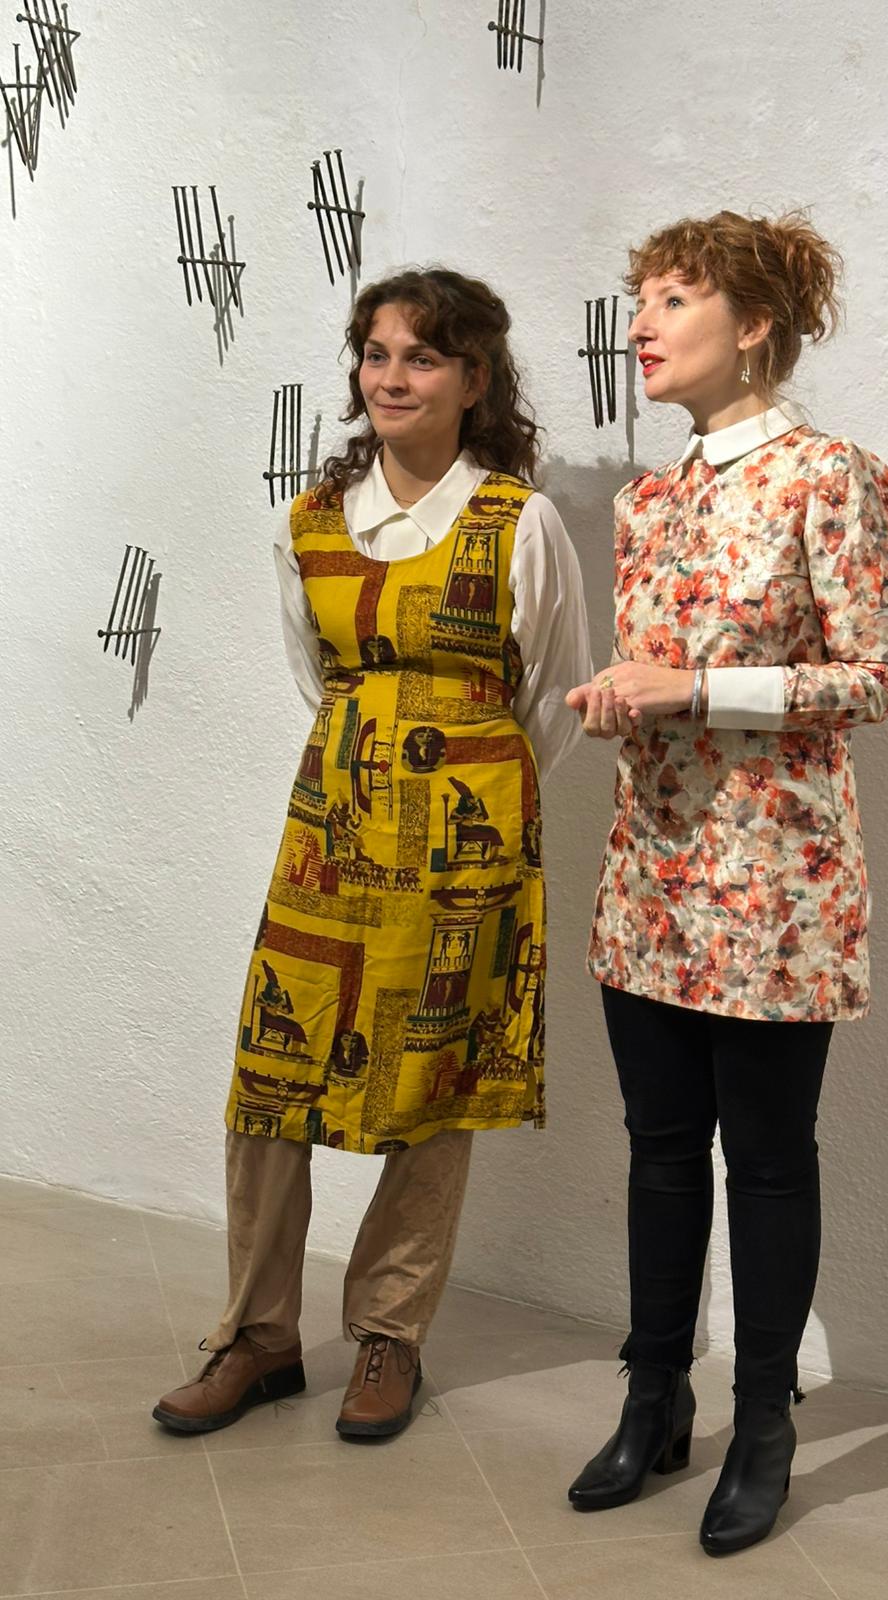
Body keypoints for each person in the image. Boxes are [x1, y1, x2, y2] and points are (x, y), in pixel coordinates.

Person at [154, 266, 590, 1441]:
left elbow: (552, 695)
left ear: (474, 380)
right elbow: (325, 680)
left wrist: (468, 791)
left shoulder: (519, 520)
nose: (392, 377)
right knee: (272, 1073)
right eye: (377, 353)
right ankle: (259, 1336)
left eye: (423, 357)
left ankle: (390, 1333)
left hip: (465, 853)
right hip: (331, 836)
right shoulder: (308, 521)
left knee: (432, 1080)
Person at [565, 210, 888, 1554]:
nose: (642, 324)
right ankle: (653, 1397)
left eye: (674, 299)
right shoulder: (644, 502)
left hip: (779, 882)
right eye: (640, 298)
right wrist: (623, 698)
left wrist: (697, 690)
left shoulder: (834, 476)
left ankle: (763, 1420)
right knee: (659, 1149)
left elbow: (872, 680)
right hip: (651, 869)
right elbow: (661, 679)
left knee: (766, 1160)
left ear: (754, 324)